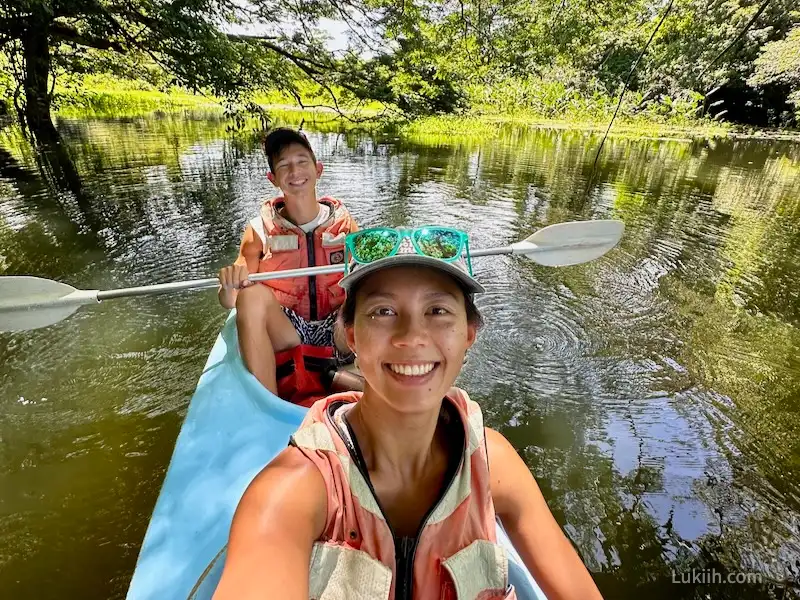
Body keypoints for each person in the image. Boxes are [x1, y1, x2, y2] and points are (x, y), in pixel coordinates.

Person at [213, 226, 604, 600]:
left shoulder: (494, 463)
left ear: (469, 334)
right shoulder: (292, 491)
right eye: (383, 311)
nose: (412, 336)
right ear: (351, 336)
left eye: (437, 310)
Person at [218, 128, 359, 396]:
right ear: (273, 179)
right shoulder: (258, 230)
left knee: (368, 288)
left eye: (302, 161)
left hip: (338, 330)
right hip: (287, 333)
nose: (295, 171)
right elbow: (230, 300)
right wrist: (227, 287)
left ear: (318, 169)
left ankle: (364, 378)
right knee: (250, 297)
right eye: (284, 165)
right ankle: (267, 403)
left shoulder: (345, 224)